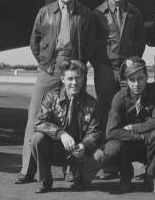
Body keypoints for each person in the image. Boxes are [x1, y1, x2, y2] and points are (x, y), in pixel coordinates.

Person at [16, 0, 96, 184]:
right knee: (34, 117)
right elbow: (34, 41)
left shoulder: (85, 13)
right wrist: (45, 62)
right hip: (50, 67)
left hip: (74, 67)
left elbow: (91, 42)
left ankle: (71, 168)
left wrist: (78, 66)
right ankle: (27, 168)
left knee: (74, 117)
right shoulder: (45, 12)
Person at [96, 57, 155, 193]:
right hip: (127, 146)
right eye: (132, 80)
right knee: (112, 148)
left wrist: (135, 128)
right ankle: (125, 174)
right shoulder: (119, 97)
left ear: (147, 76)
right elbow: (111, 132)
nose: (136, 84)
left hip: (149, 146)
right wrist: (140, 136)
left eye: (140, 78)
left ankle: (152, 176)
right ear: (126, 81)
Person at [31, 60, 102, 193]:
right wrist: (60, 134)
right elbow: (39, 122)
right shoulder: (52, 97)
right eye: (70, 78)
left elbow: (95, 132)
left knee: (99, 156)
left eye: (78, 78)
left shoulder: (92, 103)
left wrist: (84, 145)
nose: (74, 83)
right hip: (57, 148)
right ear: (63, 79)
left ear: (83, 78)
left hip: (78, 151)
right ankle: (45, 179)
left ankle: (80, 179)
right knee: (37, 139)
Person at [93, 0, 146, 118]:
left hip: (127, 69)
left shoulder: (134, 13)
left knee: (128, 105)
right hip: (105, 69)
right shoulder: (97, 14)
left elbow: (140, 41)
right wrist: (100, 64)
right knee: (105, 107)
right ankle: (106, 139)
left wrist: (132, 62)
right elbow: (91, 43)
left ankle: (126, 138)